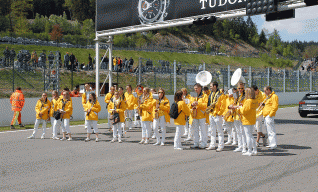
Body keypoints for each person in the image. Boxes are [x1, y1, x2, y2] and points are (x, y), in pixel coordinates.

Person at [233, 88, 258, 156]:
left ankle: (249, 150)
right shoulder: (255, 100)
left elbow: (244, 111)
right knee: (250, 135)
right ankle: (254, 149)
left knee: (248, 135)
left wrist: (239, 108)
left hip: (247, 119)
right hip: (252, 119)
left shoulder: (248, 101)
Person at [206, 82, 225, 152]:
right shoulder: (211, 94)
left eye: (211, 86)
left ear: (215, 86)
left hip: (217, 115)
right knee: (212, 131)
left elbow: (223, 105)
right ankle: (212, 145)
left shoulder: (220, 94)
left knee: (220, 131)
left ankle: (221, 145)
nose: (210, 87)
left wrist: (219, 113)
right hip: (211, 114)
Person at [189, 83, 208, 148]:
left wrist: (198, 104)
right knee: (195, 130)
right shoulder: (192, 95)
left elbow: (206, 105)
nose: (195, 90)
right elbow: (189, 104)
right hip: (194, 114)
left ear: (200, 88)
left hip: (202, 115)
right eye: (194, 88)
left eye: (196, 88)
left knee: (203, 130)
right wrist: (191, 105)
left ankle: (204, 143)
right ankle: (196, 143)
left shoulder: (204, 95)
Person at [231, 82, 247, 153]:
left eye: (241, 88)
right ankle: (240, 146)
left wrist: (236, 106)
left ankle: (244, 146)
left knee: (242, 132)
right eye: (239, 88)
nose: (240, 89)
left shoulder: (245, 95)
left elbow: (244, 106)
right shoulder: (236, 95)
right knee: (238, 132)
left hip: (241, 115)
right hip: (236, 115)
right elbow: (235, 103)